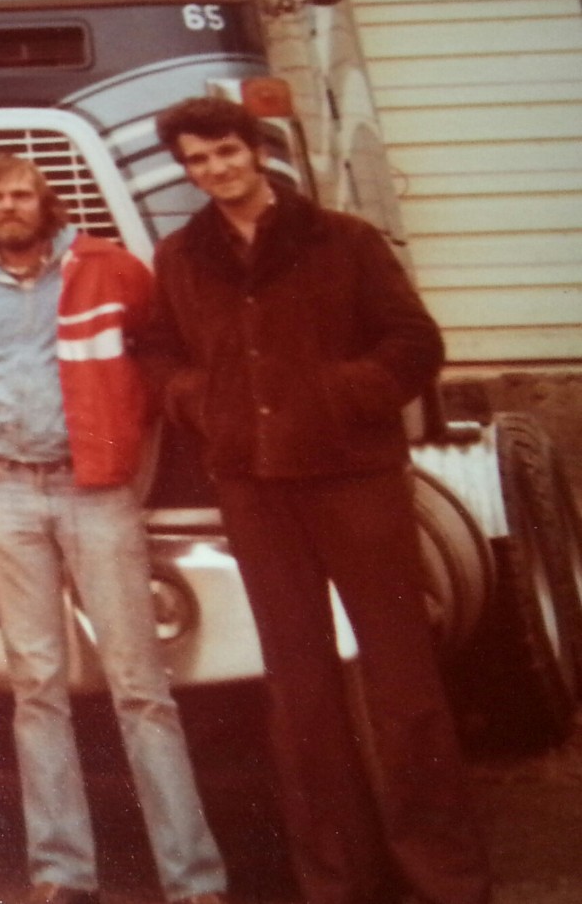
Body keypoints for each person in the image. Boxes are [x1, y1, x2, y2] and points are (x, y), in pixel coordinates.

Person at [144, 96, 490, 904]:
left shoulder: (344, 241)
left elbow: (415, 343)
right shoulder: (182, 257)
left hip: (354, 480)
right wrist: (200, 402)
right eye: (198, 160)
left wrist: (342, 396)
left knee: (402, 683)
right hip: (254, 489)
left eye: (227, 152)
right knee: (299, 693)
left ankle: (444, 878)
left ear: (258, 152)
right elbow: (157, 355)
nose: (216, 169)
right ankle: (337, 880)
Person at [0, 156, 228, 904]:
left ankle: (193, 879)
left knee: (140, 685)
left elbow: (156, 351)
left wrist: (123, 432)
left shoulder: (110, 269)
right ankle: (62, 873)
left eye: (23, 194)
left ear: (47, 204)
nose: (10, 206)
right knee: (36, 685)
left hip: (96, 493)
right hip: (4, 493)